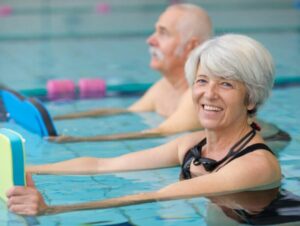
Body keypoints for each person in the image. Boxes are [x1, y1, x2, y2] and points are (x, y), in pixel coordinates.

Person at [7, 34, 282, 216]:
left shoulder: (255, 165)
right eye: (202, 80)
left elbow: (155, 195)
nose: (208, 94)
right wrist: (22, 167)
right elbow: (104, 165)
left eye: (225, 84)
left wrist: (51, 210)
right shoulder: (192, 144)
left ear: (251, 98)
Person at [49, 3, 213, 142]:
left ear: (191, 46)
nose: (150, 40)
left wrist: (78, 140)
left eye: (163, 33)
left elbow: (159, 132)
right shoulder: (165, 86)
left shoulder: (197, 96)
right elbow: (126, 112)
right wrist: (54, 119)